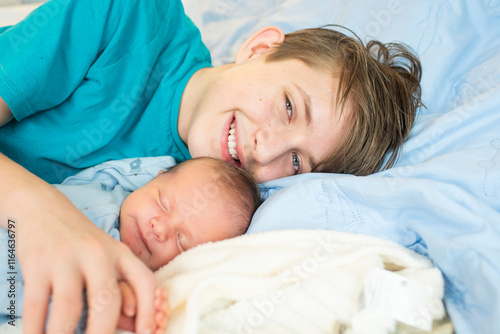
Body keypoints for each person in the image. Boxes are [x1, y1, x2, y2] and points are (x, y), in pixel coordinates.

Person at [0, 0, 422, 332]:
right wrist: (40, 212)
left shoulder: (212, 207)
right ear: (260, 49)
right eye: (289, 106)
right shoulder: (129, 16)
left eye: (296, 162)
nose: (265, 147)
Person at [0, 156, 261, 333]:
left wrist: (119, 306)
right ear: (153, 178)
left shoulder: (121, 277)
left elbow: (55, 309)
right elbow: (119, 170)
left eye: (181, 241)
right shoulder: (108, 187)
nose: (160, 228)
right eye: (163, 203)